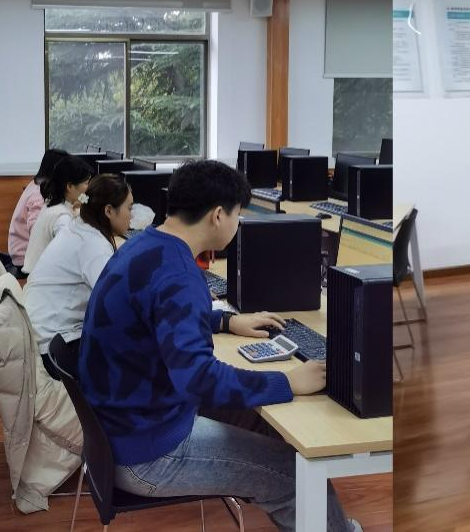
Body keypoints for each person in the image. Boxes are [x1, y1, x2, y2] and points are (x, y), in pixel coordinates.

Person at [77, 160, 362, 532]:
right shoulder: (180, 274)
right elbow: (199, 379)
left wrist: (225, 321)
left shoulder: (145, 245)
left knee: (268, 427)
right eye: (237, 214)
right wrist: (287, 382)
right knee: (293, 474)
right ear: (217, 215)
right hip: (147, 453)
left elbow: (151, 314)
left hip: (122, 429)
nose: (237, 223)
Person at [24, 174, 133, 352]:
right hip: (54, 345)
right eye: (129, 208)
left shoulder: (78, 228)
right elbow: (115, 303)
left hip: (41, 331)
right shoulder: (94, 245)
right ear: (108, 211)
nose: (132, 215)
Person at [23, 156, 94, 274]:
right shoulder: (62, 218)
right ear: (70, 186)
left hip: (37, 274)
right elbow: (70, 255)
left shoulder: (51, 204)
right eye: (86, 183)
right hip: (43, 278)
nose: (88, 188)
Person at [8, 148, 68, 269]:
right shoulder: (39, 195)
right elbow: (37, 233)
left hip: (25, 254)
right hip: (25, 259)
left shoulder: (38, 184)